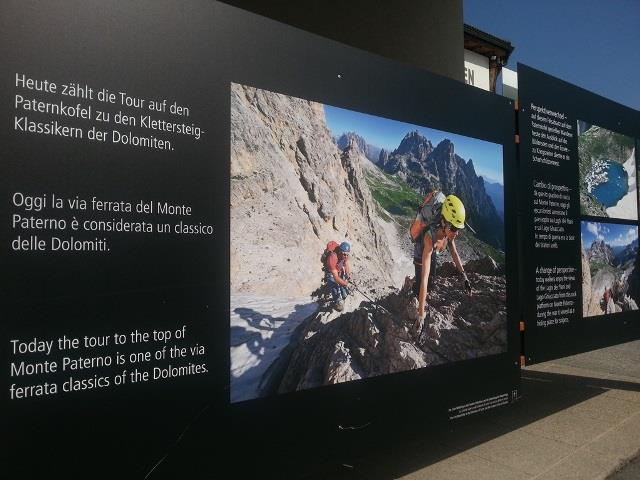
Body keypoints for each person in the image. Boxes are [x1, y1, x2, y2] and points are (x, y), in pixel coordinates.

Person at [409, 192, 472, 334]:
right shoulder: (429, 238)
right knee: (421, 283)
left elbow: (454, 252)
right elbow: (424, 278)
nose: (456, 233)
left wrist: (464, 277)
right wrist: (421, 315)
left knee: (431, 282)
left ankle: (420, 295)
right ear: (445, 222)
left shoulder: (447, 230)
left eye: (458, 229)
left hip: (434, 247)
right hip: (422, 248)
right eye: (454, 228)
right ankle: (411, 287)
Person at [324, 241, 352, 311]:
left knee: (342, 283)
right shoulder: (332, 258)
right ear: (340, 252)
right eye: (344, 254)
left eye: (347, 254)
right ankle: (337, 301)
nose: (346, 256)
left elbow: (346, 264)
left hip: (338, 269)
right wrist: (346, 284)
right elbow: (336, 278)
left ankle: (344, 295)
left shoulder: (345, 254)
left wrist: (348, 274)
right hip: (331, 271)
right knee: (333, 283)